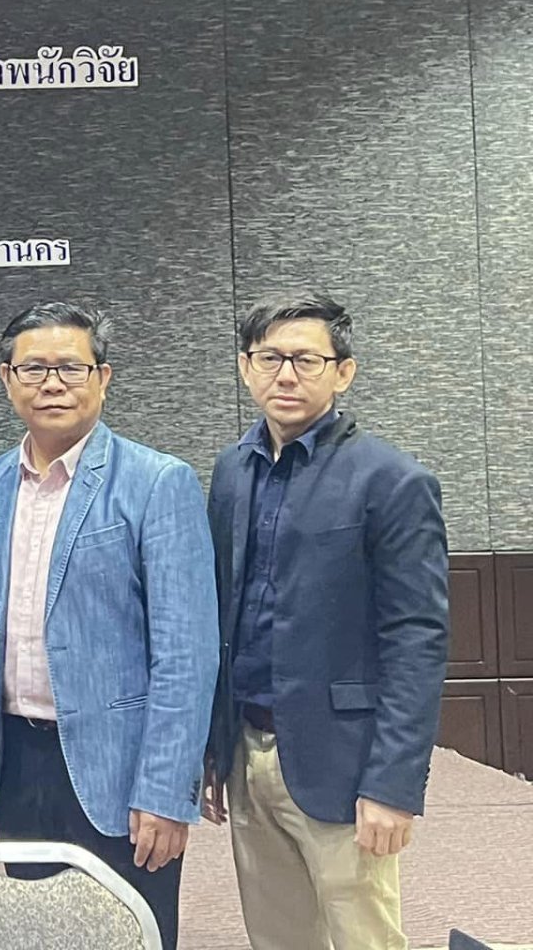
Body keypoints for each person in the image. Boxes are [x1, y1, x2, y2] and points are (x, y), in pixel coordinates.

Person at [0, 302, 218, 950]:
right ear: (6, 379)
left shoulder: (157, 482)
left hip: (123, 770)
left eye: (71, 367)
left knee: (130, 935)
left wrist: (165, 789)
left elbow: (187, 653)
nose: (53, 383)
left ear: (103, 377)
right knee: (38, 936)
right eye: (33, 368)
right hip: (19, 763)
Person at [202, 292, 449, 950]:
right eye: (270, 358)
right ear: (245, 367)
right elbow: (223, 620)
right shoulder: (230, 473)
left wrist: (393, 785)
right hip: (248, 751)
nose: (286, 375)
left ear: (343, 372)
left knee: (364, 937)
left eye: (306, 360)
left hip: (344, 763)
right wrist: (213, 750)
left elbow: (416, 642)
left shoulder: (393, 481)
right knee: (278, 938)